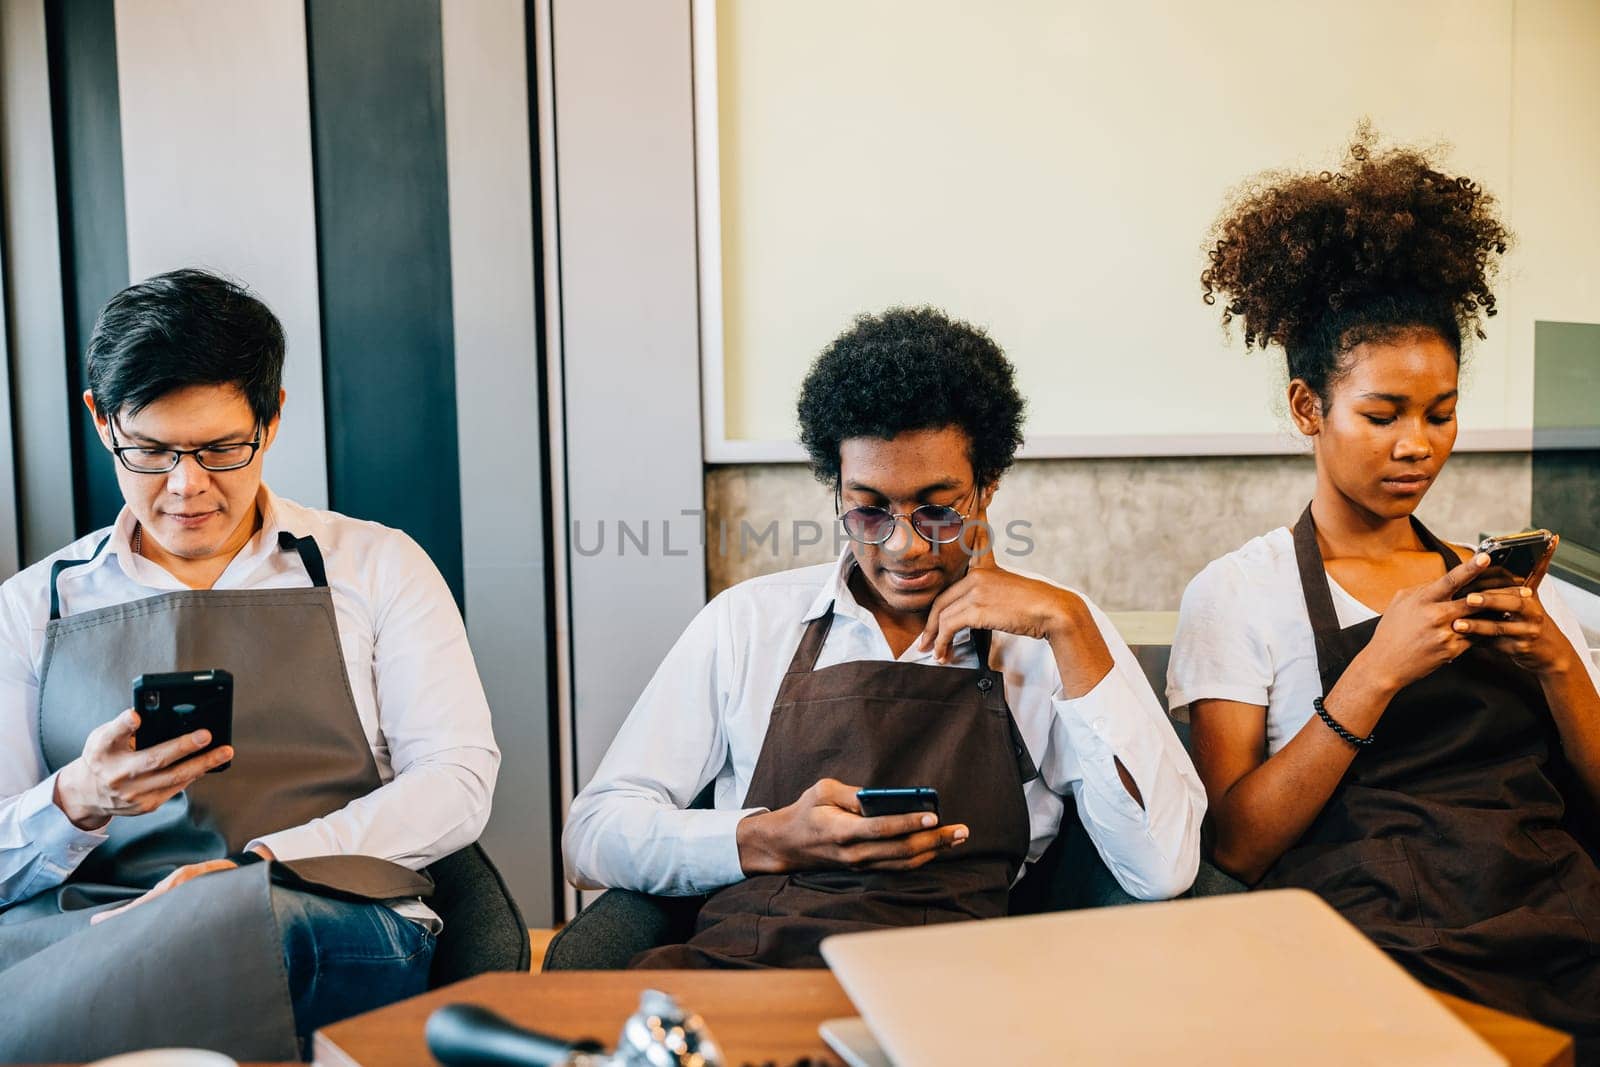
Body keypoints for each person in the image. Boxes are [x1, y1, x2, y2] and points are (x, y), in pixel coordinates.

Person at [565, 306, 1205, 968]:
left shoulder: (1054, 633)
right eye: (868, 511)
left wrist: (1070, 627)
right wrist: (769, 836)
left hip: (960, 992)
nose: (903, 546)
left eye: (936, 508)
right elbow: (591, 835)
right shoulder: (749, 622)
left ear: (987, 488)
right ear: (836, 490)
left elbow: (1162, 868)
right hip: (746, 973)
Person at [1169, 130, 1600, 1054]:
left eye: (1441, 413)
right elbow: (1234, 846)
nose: (1418, 445)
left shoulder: (1509, 582)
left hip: (1565, 934)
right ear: (1305, 409)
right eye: (1383, 414)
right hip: (1379, 958)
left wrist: (1561, 668)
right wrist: (1373, 674)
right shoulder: (1239, 594)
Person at [0, 270, 501, 1061]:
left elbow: (457, 778)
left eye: (222, 448)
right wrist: (78, 797)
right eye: (153, 450)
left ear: (271, 421)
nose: (187, 485)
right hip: (92, 917)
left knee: (236, 937)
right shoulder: (32, 607)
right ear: (102, 422)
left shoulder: (376, 567)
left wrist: (258, 865)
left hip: (312, 906)